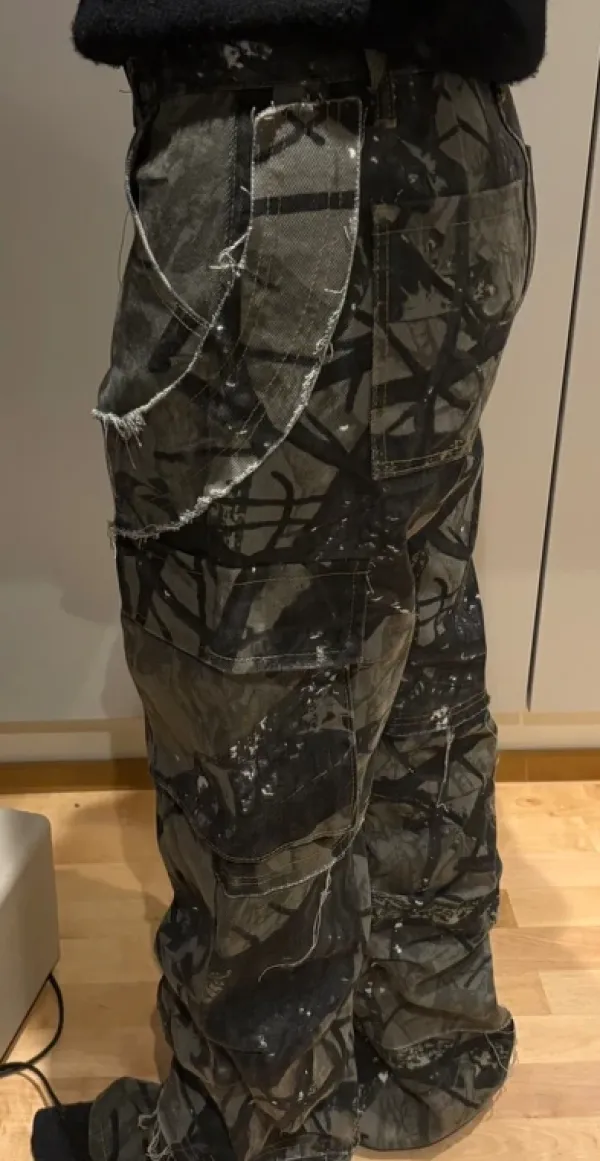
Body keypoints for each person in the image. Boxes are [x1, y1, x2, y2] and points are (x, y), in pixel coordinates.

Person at [33, 3, 547, 1160]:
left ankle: (241, 1135)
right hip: (463, 144)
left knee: (248, 682)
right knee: (411, 613)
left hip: (283, 163)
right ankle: (420, 1041)